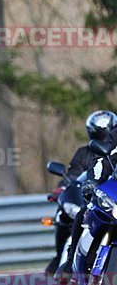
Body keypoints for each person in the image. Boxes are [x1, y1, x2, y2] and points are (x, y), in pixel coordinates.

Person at [45, 110, 117, 273]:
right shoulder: (87, 151)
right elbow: (102, 161)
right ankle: (69, 261)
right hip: (109, 191)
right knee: (84, 212)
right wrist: (92, 182)